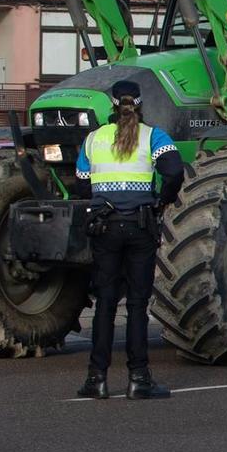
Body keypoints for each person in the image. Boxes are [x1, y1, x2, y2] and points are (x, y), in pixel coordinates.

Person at [75, 80, 186, 400]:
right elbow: (174, 170)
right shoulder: (154, 136)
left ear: (112, 104)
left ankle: (96, 379)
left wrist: (100, 198)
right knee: (137, 305)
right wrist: (162, 200)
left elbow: (82, 184)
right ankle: (139, 379)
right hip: (140, 227)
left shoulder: (94, 139)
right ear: (140, 103)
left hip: (104, 229)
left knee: (105, 305)